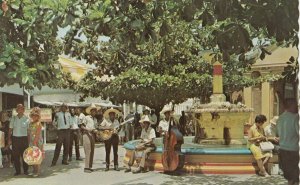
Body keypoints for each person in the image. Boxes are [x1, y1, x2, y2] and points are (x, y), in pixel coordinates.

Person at [276, 98, 299, 185]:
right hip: (294, 150)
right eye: (295, 105)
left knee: (290, 177)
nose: (297, 107)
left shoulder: (280, 118)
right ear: (291, 105)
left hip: (283, 149)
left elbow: (278, 133)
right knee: (295, 177)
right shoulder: (296, 117)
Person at [8, 104, 30, 176]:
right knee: (16, 156)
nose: (20, 110)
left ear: (23, 110)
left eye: (21, 108)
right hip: (15, 139)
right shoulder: (13, 118)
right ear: (17, 110)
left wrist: (29, 142)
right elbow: (10, 130)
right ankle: (18, 171)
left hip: (24, 139)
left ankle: (26, 170)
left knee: (24, 155)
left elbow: (28, 131)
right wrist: (9, 139)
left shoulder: (27, 119)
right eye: (18, 108)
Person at [81, 104, 99, 173]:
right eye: (93, 111)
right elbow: (82, 126)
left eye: (95, 111)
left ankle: (89, 166)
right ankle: (86, 167)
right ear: (91, 111)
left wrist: (96, 131)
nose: (94, 112)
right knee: (88, 151)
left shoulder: (95, 119)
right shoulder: (86, 117)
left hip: (92, 135)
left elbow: (96, 127)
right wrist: (88, 129)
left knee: (92, 151)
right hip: (86, 134)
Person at [28, 107, 44, 177]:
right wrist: (29, 142)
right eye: (33, 115)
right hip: (32, 141)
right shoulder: (30, 123)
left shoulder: (39, 124)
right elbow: (28, 133)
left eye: (35, 116)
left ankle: (37, 171)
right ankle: (34, 170)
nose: (34, 117)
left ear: (38, 116)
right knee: (32, 156)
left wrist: (34, 142)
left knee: (37, 156)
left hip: (37, 142)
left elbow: (37, 134)